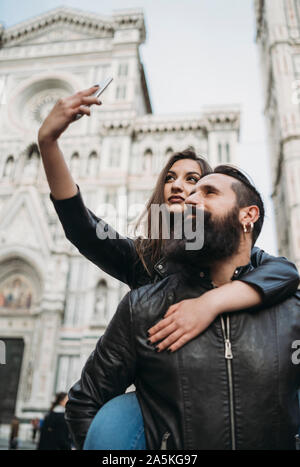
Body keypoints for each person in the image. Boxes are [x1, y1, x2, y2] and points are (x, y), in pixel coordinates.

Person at [37, 86, 299, 356]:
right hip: (162, 388)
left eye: (192, 180)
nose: (177, 186)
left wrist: (210, 303)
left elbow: (285, 273)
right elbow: (82, 228)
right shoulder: (142, 258)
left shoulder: (229, 255)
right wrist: (48, 142)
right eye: (170, 178)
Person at [65, 165, 300, 450]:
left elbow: (286, 270)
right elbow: (84, 403)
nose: (189, 197)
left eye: (208, 192)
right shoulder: (144, 307)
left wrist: (213, 302)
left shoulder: (290, 310)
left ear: (247, 215)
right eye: (190, 190)